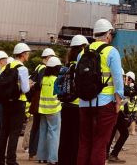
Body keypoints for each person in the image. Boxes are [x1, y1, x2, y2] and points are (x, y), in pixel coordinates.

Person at [77, 19, 124, 165]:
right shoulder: (111, 51)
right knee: (100, 142)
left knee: (84, 142)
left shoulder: (82, 53)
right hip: (105, 104)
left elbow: (76, 78)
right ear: (108, 34)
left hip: (84, 103)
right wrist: (119, 101)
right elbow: (118, 79)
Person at [0, 43, 32, 165]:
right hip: (18, 103)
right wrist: (29, 84)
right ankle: (11, 160)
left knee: (4, 131)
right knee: (14, 132)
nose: (28, 55)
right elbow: (26, 89)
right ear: (23, 54)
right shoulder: (22, 68)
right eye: (27, 53)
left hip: (6, 102)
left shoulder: (6, 66)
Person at [58, 35, 88, 165]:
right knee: (76, 139)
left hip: (65, 105)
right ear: (83, 47)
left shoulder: (67, 65)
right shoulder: (82, 66)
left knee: (64, 138)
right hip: (78, 106)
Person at [28, 47, 56, 161]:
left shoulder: (37, 67)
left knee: (35, 127)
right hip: (41, 101)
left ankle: (32, 152)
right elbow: (41, 84)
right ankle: (36, 152)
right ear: (48, 57)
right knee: (40, 127)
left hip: (35, 101)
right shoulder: (44, 69)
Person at [37, 56, 62, 165]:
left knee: (43, 132)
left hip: (43, 109)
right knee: (54, 133)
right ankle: (53, 159)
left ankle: (42, 157)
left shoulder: (44, 79)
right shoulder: (56, 79)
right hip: (54, 109)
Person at [107, 71, 134, 163]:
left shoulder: (110, 83)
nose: (124, 79)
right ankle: (113, 154)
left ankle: (106, 154)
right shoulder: (118, 85)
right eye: (123, 77)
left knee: (111, 133)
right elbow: (125, 92)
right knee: (124, 133)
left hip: (113, 111)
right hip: (116, 112)